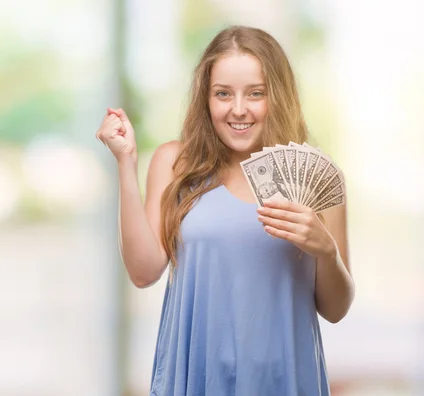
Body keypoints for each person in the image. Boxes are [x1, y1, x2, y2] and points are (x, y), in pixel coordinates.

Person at [95, 25, 354, 396]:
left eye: (255, 94)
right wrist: (125, 163)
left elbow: (336, 308)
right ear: (206, 98)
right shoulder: (174, 163)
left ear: (276, 96)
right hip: (195, 375)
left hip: (283, 376)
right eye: (222, 94)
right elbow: (143, 271)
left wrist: (325, 249)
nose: (238, 109)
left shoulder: (314, 178)